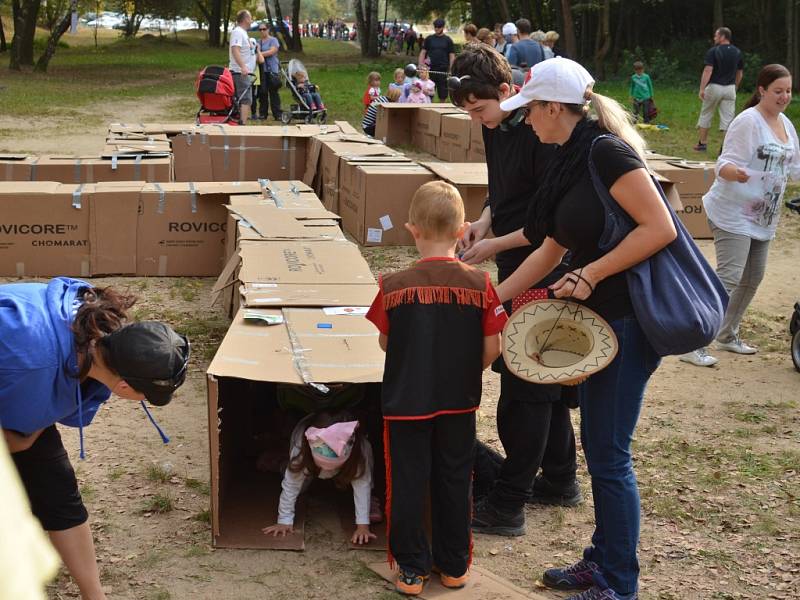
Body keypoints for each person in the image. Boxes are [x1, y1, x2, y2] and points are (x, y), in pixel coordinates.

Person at [496, 57, 677, 600]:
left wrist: (592, 273)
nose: (526, 121)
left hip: (627, 322)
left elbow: (661, 227)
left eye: (530, 110)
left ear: (554, 107)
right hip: (598, 323)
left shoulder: (605, 152)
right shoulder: (568, 157)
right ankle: (602, 560)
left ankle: (619, 583)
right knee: (601, 452)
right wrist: (488, 299)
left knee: (609, 457)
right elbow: (549, 247)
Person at [451, 44, 582, 539]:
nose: (476, 119)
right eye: (467, 112)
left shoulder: (539, 134)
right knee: (541, 381)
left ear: (508, 93)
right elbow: (504, 192)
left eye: (480, 109)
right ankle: (561, 480)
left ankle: (508, 504)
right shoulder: (497, 128)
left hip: (542, 268)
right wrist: (482, 224)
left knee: (525, 387)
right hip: (512, 257)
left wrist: (494, 246)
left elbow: (546, 226)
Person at [1, 278, 190, 600]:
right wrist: (25, 434)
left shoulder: (103, 333)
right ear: (126, 389)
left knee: (56, 488)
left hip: (19, 376)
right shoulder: (35, 367)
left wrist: (28, 432)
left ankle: (94, 596)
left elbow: (28, 434)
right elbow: (16, 442)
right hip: (21, 369)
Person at [366, 181, 507, 596]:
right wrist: (463, 370)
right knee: (455, 479)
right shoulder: (480, 284)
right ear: (463, 229)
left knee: (407, 482)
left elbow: (385, 341)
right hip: (459, 402)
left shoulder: (392, 285)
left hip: (405, 402)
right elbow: (493, 347)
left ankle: (411, 569)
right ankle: (454, 565)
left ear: (412, 230)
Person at [680, 64, 800, 368]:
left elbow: (794, 169)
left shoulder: (786, 124)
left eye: (788, 91)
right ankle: (693, 342)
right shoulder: (748, 121)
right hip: (733, 211)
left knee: (753, 277)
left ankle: (727, 333)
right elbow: (723, 165)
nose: (784, 96)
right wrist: (739, 173)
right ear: (761, 90)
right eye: (778, 91)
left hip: (764, 216)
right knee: (730, 277)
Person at [261, 410, 377, 545]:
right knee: (299, 485)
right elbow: (291, 486)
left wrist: (363, 526)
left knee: (358, 477)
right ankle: (277, 461)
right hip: (307, 461)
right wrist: (284, 521)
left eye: (333, 466)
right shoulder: (300, 449)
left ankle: (371, 500)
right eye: (324, 465)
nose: (328, 470)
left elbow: (362, 485)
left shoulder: (360, 452)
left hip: (348, 464)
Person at [694, 27, 744, 152]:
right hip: (730, 88)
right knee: (728, 119)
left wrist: (702, 88)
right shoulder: (737, 52)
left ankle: (703, 143)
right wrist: (735, 86)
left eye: (716, 35)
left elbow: (708, 70)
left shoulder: (713, 51)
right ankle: (725, 147)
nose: (714, 38)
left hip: (714, 86)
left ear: (722, 37)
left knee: (706, 114)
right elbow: (740, 72)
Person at [228, 9, 256, 124]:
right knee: (246, 100)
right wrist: (243, 66)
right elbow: (235, 50)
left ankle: (239, 122)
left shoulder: (243, 33)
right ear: (245, 19)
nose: (251, 21)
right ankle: (242, 125)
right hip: (240, 72)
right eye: (250, 18)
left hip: (244, 72)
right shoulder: (238, 32)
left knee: (243, 99)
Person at [419, 18, 455, 101]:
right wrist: (421, 65)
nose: (436, 29)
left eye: (439, 27)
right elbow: (423, 52)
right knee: (428, 92)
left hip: (442, 70)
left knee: (443, 94)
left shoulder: (448, 40)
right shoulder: (429, 39)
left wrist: (451, 69)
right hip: (429, 69)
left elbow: (451, 55)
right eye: (435, 27)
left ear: (442, 27)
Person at [256, 23, 282, 121]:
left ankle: (277, 114)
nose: (262, 31)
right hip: (262, 70)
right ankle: (263, 114)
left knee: (274, 93)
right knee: (262, 93)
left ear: (268, 29)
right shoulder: (258, 42)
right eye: (260, 29)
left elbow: (272, 51)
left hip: (272, 70)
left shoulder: (273, 40)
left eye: (264, 29)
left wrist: (259, 54)